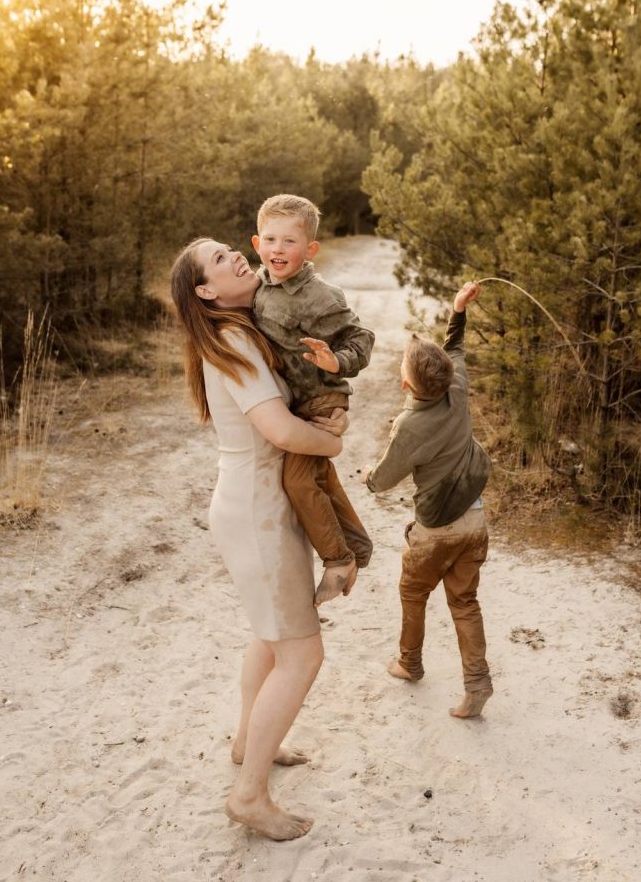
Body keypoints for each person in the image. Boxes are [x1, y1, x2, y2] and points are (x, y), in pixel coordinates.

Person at [171, 236, 347, 841]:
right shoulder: (237, 339)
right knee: (303, 652)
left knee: (271, 639)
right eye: (219, 260)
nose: (235, 258)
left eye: (229, 250)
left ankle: (249, 744)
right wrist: (332, 440)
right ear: (205, 291)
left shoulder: (234, 332)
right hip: (258, 511)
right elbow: (279, 429)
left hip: (252, 505)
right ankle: (248, 796)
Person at [362, 282, 494, 719]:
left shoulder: (408, 426)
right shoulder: (457, 388)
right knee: (464, 601)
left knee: (413, 591)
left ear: (404, 383)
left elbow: (384, 479)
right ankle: (477, 684)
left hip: (436, 529)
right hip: (474, 518)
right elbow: (455, 348)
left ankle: (409, 662)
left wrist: (368, 479)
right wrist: (458, 310)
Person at [252, 194, 374, 606]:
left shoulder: (322, 296)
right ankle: (357, 545)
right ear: (256, 244)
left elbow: (363, 339)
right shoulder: (259, 287)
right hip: (293, 401)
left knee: (299, 480)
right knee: (320, 477)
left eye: (289, 241)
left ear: (310, 250)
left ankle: (338, 560)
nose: (278, 250)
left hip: (321, 399)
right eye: (270, 240)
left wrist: (336, 361)